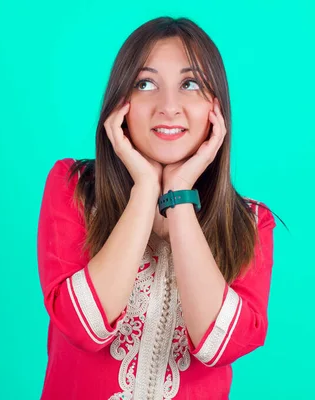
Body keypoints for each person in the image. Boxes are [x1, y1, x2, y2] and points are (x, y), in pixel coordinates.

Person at [37, 16, 277, 400]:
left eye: (190, 84)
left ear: (216, 108)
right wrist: (145, 188)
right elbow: (85, 326)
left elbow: (220, 345)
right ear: (121, 105)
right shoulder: (74, 188)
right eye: (146, 84)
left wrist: (179, 194)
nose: (169, 107)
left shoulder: (249, 223)